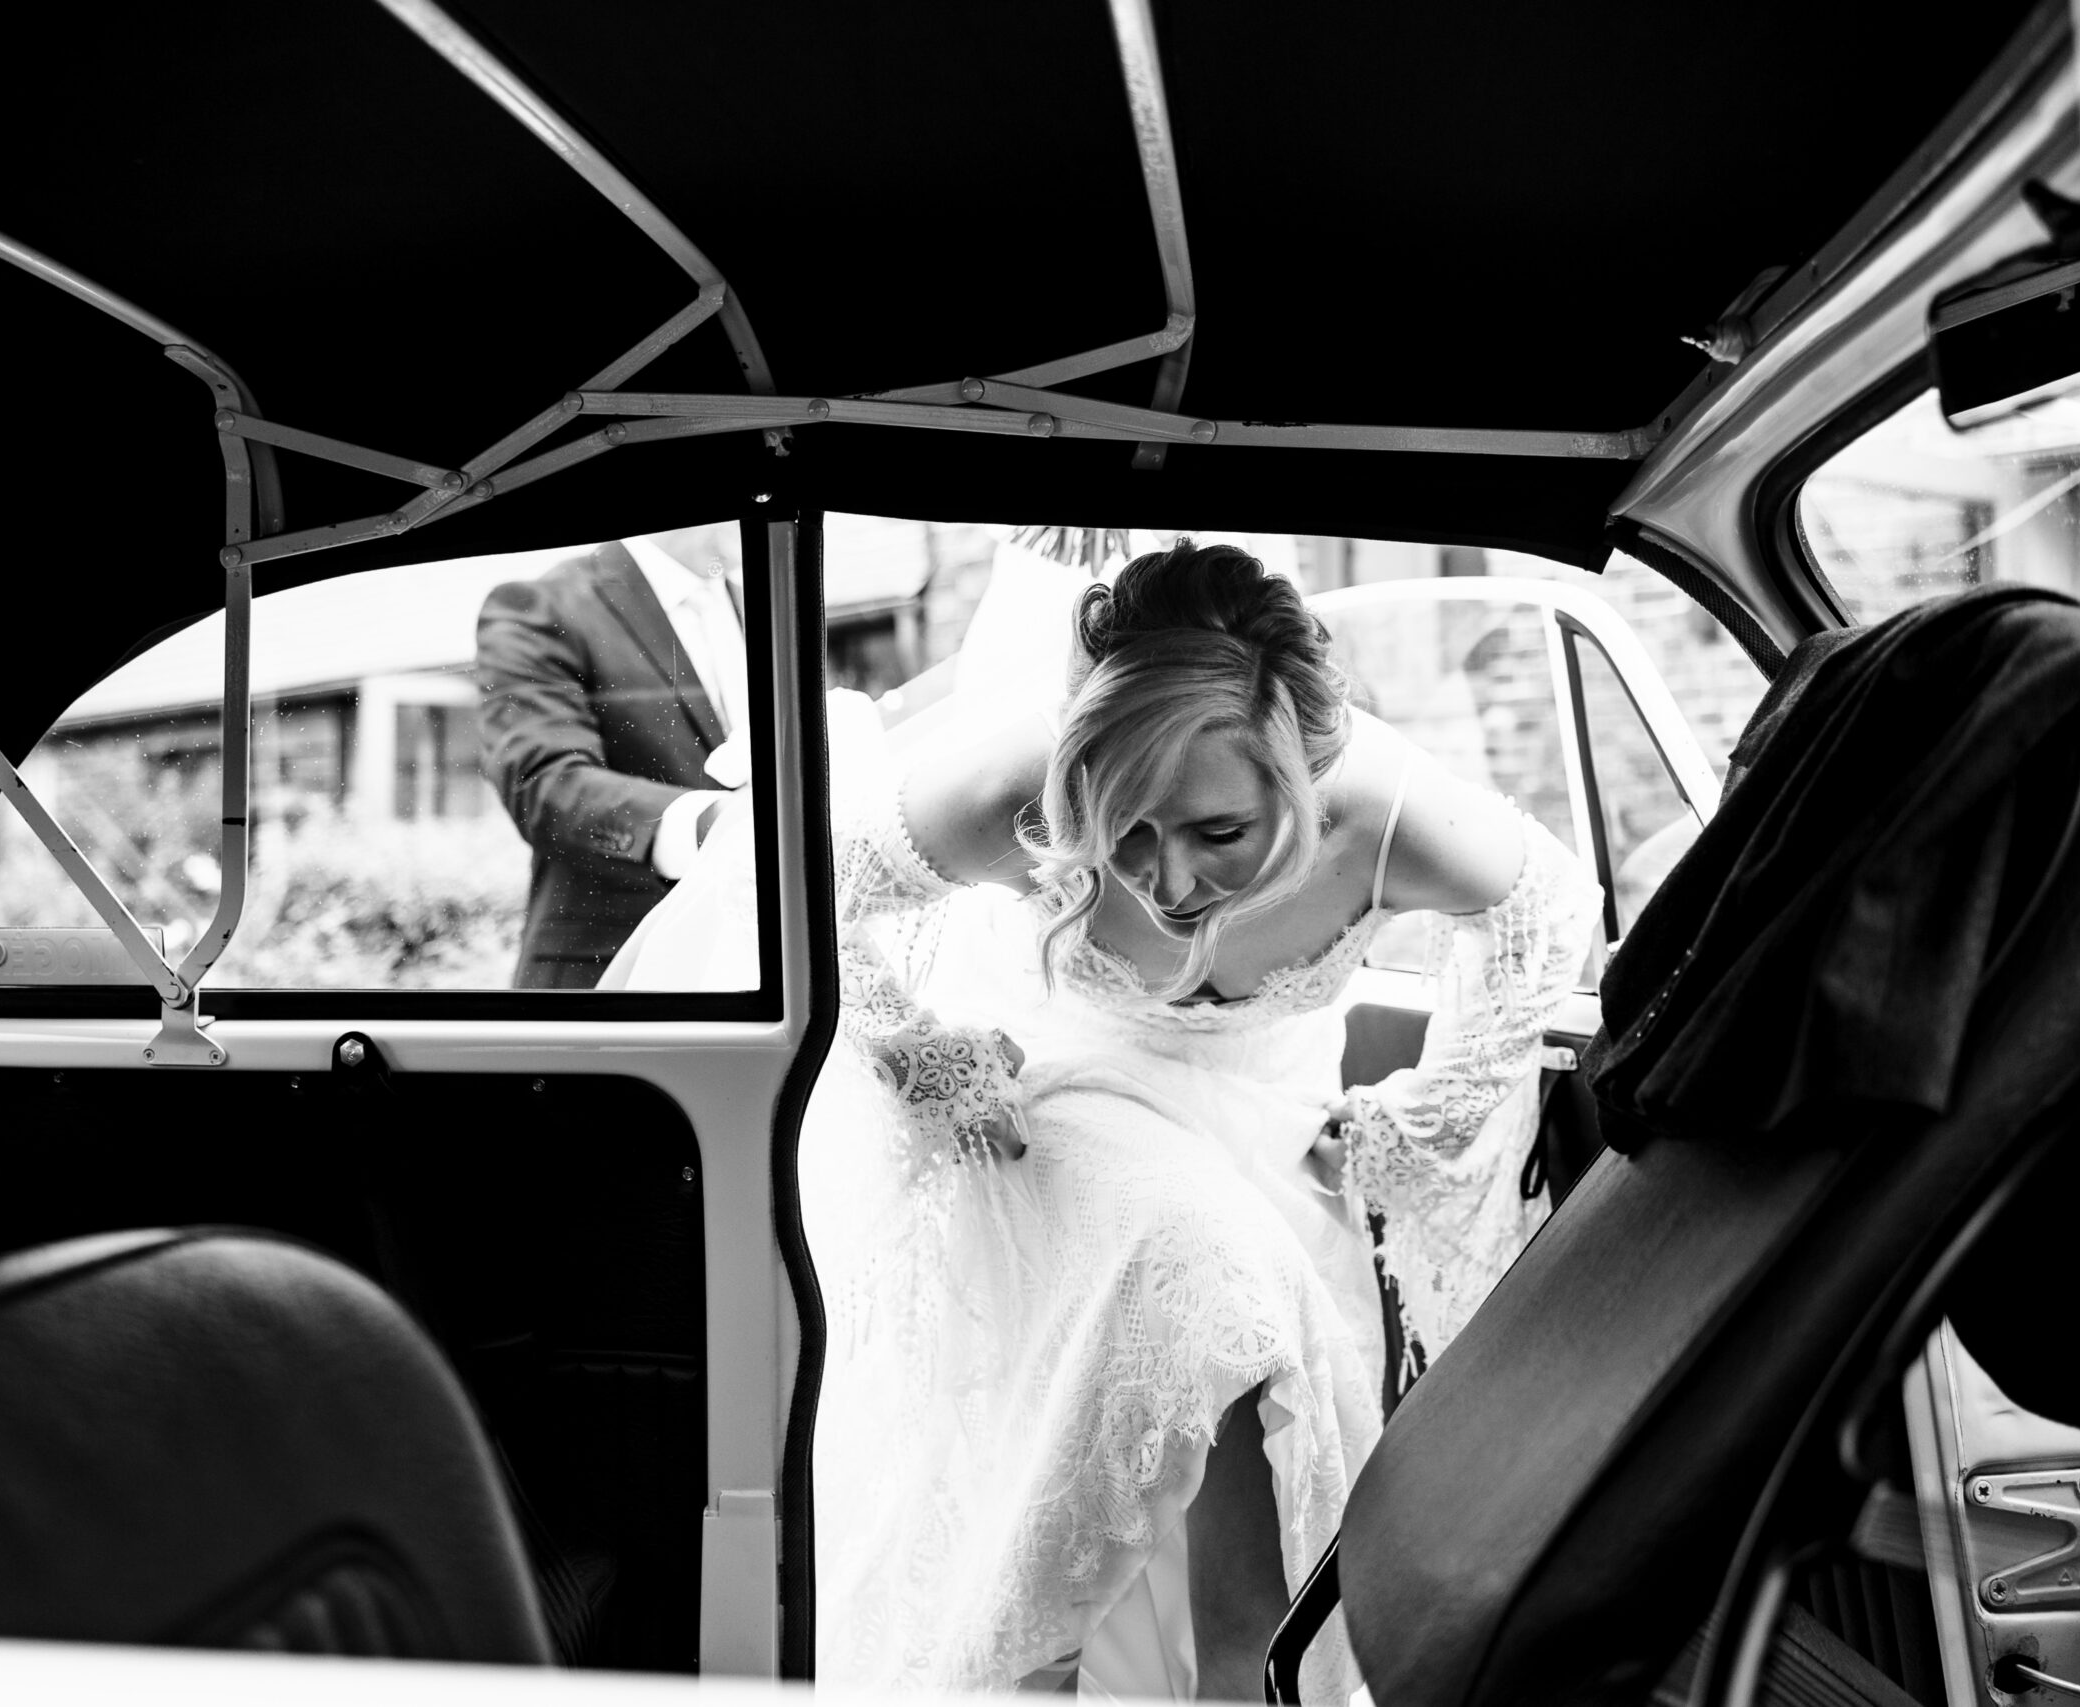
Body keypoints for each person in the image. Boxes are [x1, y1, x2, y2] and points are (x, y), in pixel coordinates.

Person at [618, 540, 1600, 1698]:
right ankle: (1021, 1676)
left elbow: (1543, 909)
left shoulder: (1383, 811)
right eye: (1125, 832)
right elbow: (803, 896)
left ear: (1302, 778)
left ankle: (1253, 1680)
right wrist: (922, 1052)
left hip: (1265, 1137)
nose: (1170, 881)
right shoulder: (1010, 779)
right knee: (1208, 1284)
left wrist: (1424, 1113)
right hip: (1050, 1114)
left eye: (1218, 835)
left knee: (1275, 1508)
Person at [475, 526, 750, 989]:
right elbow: (544, 783)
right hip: (612, 986)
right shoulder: (544, 604)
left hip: (761, 980)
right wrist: (712, 825)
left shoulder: (768, 607)